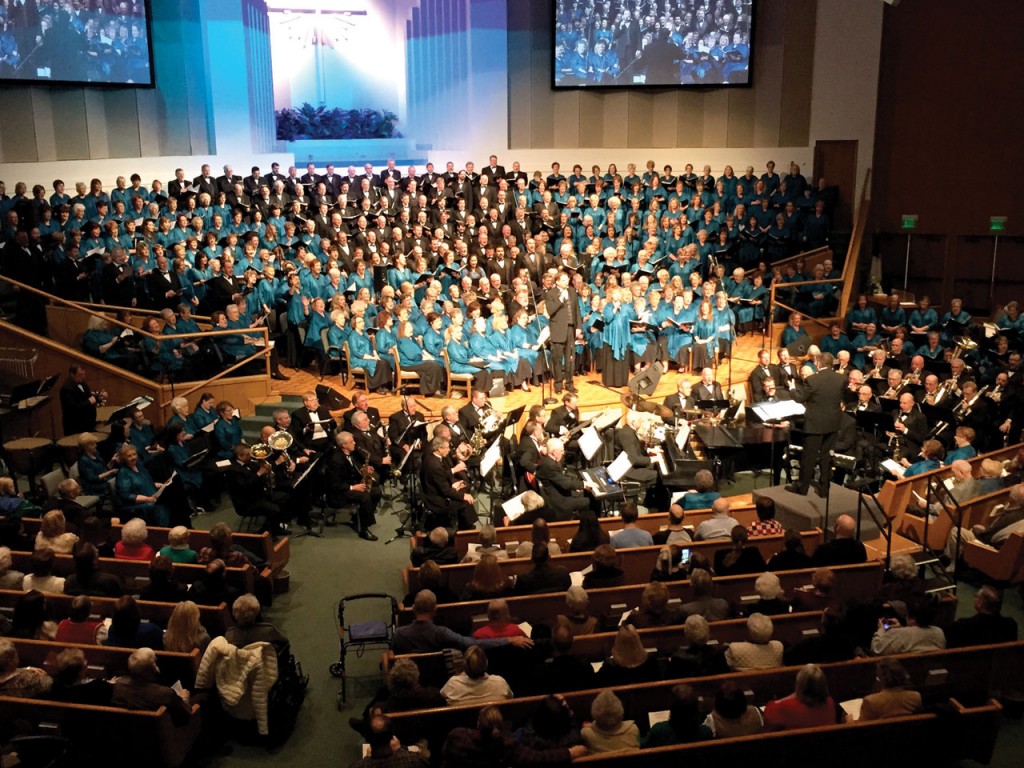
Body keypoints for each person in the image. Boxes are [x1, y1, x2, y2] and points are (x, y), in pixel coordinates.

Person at [393, 590, 533, 655]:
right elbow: (474, 644)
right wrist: (508, 640)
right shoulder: (441, 633)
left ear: (414, 608)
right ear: (434, 610)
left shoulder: (399, 635)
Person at [443, 706, 585, 766]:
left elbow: (445, 757)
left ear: (478, 723)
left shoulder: (458, 736)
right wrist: (569, 752)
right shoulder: (508, 746)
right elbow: (539, 758)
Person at [788, 352, 845, 495]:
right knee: (826, 457)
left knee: (809, 457)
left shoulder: (812, 379)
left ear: (818, 363)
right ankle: (824, 488)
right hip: (832, 423)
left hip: (815, 424)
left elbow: (800, 398)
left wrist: (792, 388)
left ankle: (802, 488)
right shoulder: (841, 379)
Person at [224, 443, 294, 538]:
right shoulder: (233, 471)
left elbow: (262, 469)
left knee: (285, 497)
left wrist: (266, 466)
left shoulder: (250, 462)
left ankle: (275, 526)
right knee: (274, 509)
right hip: (247, 502)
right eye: (248, 454)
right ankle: (265, 532)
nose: (251, 456)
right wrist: (259, 473)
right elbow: (245, 487)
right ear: (240, 456)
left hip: (259, 494)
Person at [111, 647, 193, 726]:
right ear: (154, 668)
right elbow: (184, 718)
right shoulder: (165, 694)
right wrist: (184, 698)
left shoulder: (118, 686)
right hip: (166, 733)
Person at [418, 435, 476, 531]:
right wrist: (463, 496)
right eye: (447, 448)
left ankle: (467, 525)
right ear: (439, 449)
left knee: (464, 487)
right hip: (436, 500)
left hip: (433, 491)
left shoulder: (431, 457)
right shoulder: (436, 466)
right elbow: (446, 492)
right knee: (465, 500)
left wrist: (453, 485)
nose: (449, 450)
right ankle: (466, 529)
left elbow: (441, 475)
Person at [763, 664, 840, 730]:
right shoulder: (829, 702)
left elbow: (768, 712)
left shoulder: (788, 707)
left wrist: (790, 697)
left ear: (799, 685)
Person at [640, 684, 712, 748]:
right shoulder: (706, 733)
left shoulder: (658, 731)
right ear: (696, 710)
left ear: (672, 709)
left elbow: (640, 745)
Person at [945, 585, 1018, 648]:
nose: (974, 598)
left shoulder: (963, 626)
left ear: (980, 603)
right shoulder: (1011, 625)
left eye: (976, 596)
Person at [545, 269, 581, 394]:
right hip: (558, 330)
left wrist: (578, 327)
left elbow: (576, 310)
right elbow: (550, 311)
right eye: (564, 280)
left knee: (570, 358)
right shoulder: (550, 294)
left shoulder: (572, 291)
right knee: (557, 359)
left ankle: (569, 383)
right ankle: (558, 385)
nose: (567, 282)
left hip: (571, 329)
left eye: (567, 279)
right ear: (557, 282)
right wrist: (560, 299)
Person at [440, 644, 513, 705]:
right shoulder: (499, 683)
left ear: (464, 665)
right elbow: (510, 698)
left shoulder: (453, 684)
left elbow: (441, 696)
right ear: (486, 663)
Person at [348, 714, 429, 768]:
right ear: (392, 736)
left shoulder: (358, 766)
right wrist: (400, 750)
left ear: (366, 738)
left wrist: (367, 757)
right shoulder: (413, 760)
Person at [871, 598, 946, 655]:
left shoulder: (900, 633)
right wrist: (901, 628)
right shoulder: (939, 632)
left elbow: (876, 649)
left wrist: (880, 630)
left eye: (906, 615)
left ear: (913, 618)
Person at [60, 364, 105, 437]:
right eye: (80, 374)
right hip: (76, 425)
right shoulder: (66, 388)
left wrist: (99, 397)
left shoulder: (83, 383)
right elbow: (73, 408)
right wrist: (90, 401)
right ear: (72, 374)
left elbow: (89, 397)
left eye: (84, 374)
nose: (83, 376)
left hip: (88, 423)